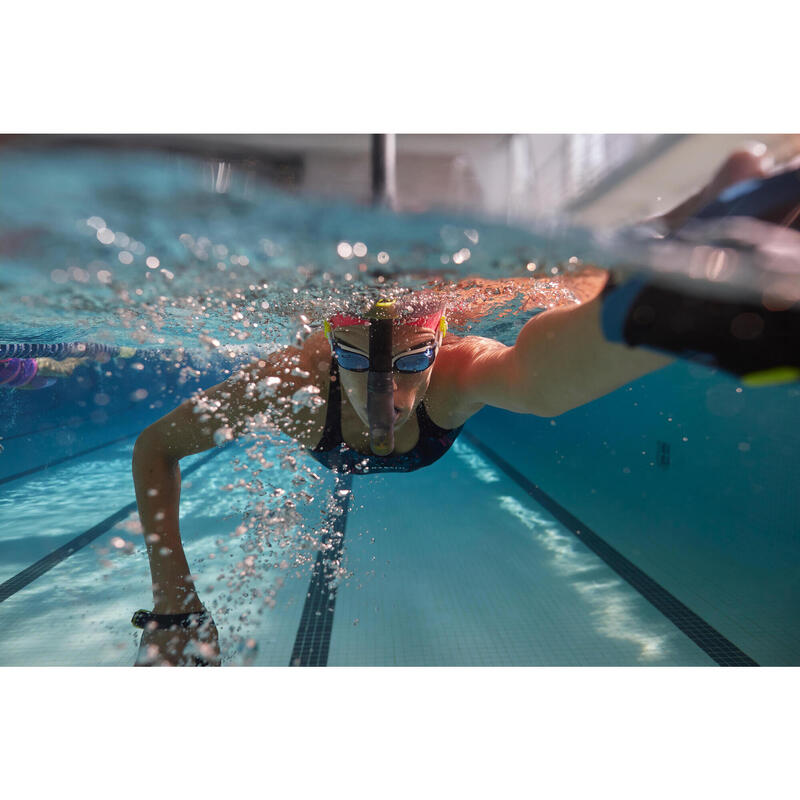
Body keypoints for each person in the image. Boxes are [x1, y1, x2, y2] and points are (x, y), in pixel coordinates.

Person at [131, 148, 776, 666]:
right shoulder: (298, 387)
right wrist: (174, 602)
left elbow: (534, 376)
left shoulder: (454, 374)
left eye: (412, 361)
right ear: (330, 348)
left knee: (538, 390)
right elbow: (155, 448)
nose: (384, 396)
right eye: (356, 360)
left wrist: (666, 284)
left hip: (607, 310)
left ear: (438, 345)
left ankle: (663, 303)